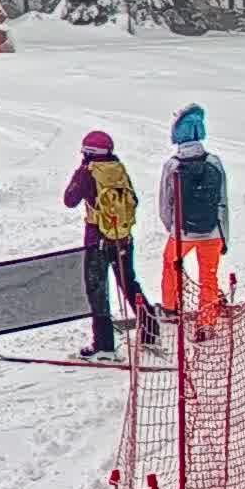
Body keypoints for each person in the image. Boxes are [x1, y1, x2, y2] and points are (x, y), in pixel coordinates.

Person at [63, 131, 159, 361]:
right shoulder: (119, 169)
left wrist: (80, 175)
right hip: (123, 237)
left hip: (97, 240)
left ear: (88, 152)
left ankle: (104, 344)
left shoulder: (87, 172)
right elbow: (133, 200)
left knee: (97, 290)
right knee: (128, 282)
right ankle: (150, 329)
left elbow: (69, 200)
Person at [159, 105, 230, 327]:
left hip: (182, 232)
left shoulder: (172, 165)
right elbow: (222, 202)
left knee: (170, 263)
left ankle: (170, 308)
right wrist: (224, 237)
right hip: (212, 231)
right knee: (209, 275)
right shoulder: (214, 162)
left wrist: (173, 228)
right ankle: (206, 322)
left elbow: (165, 204)